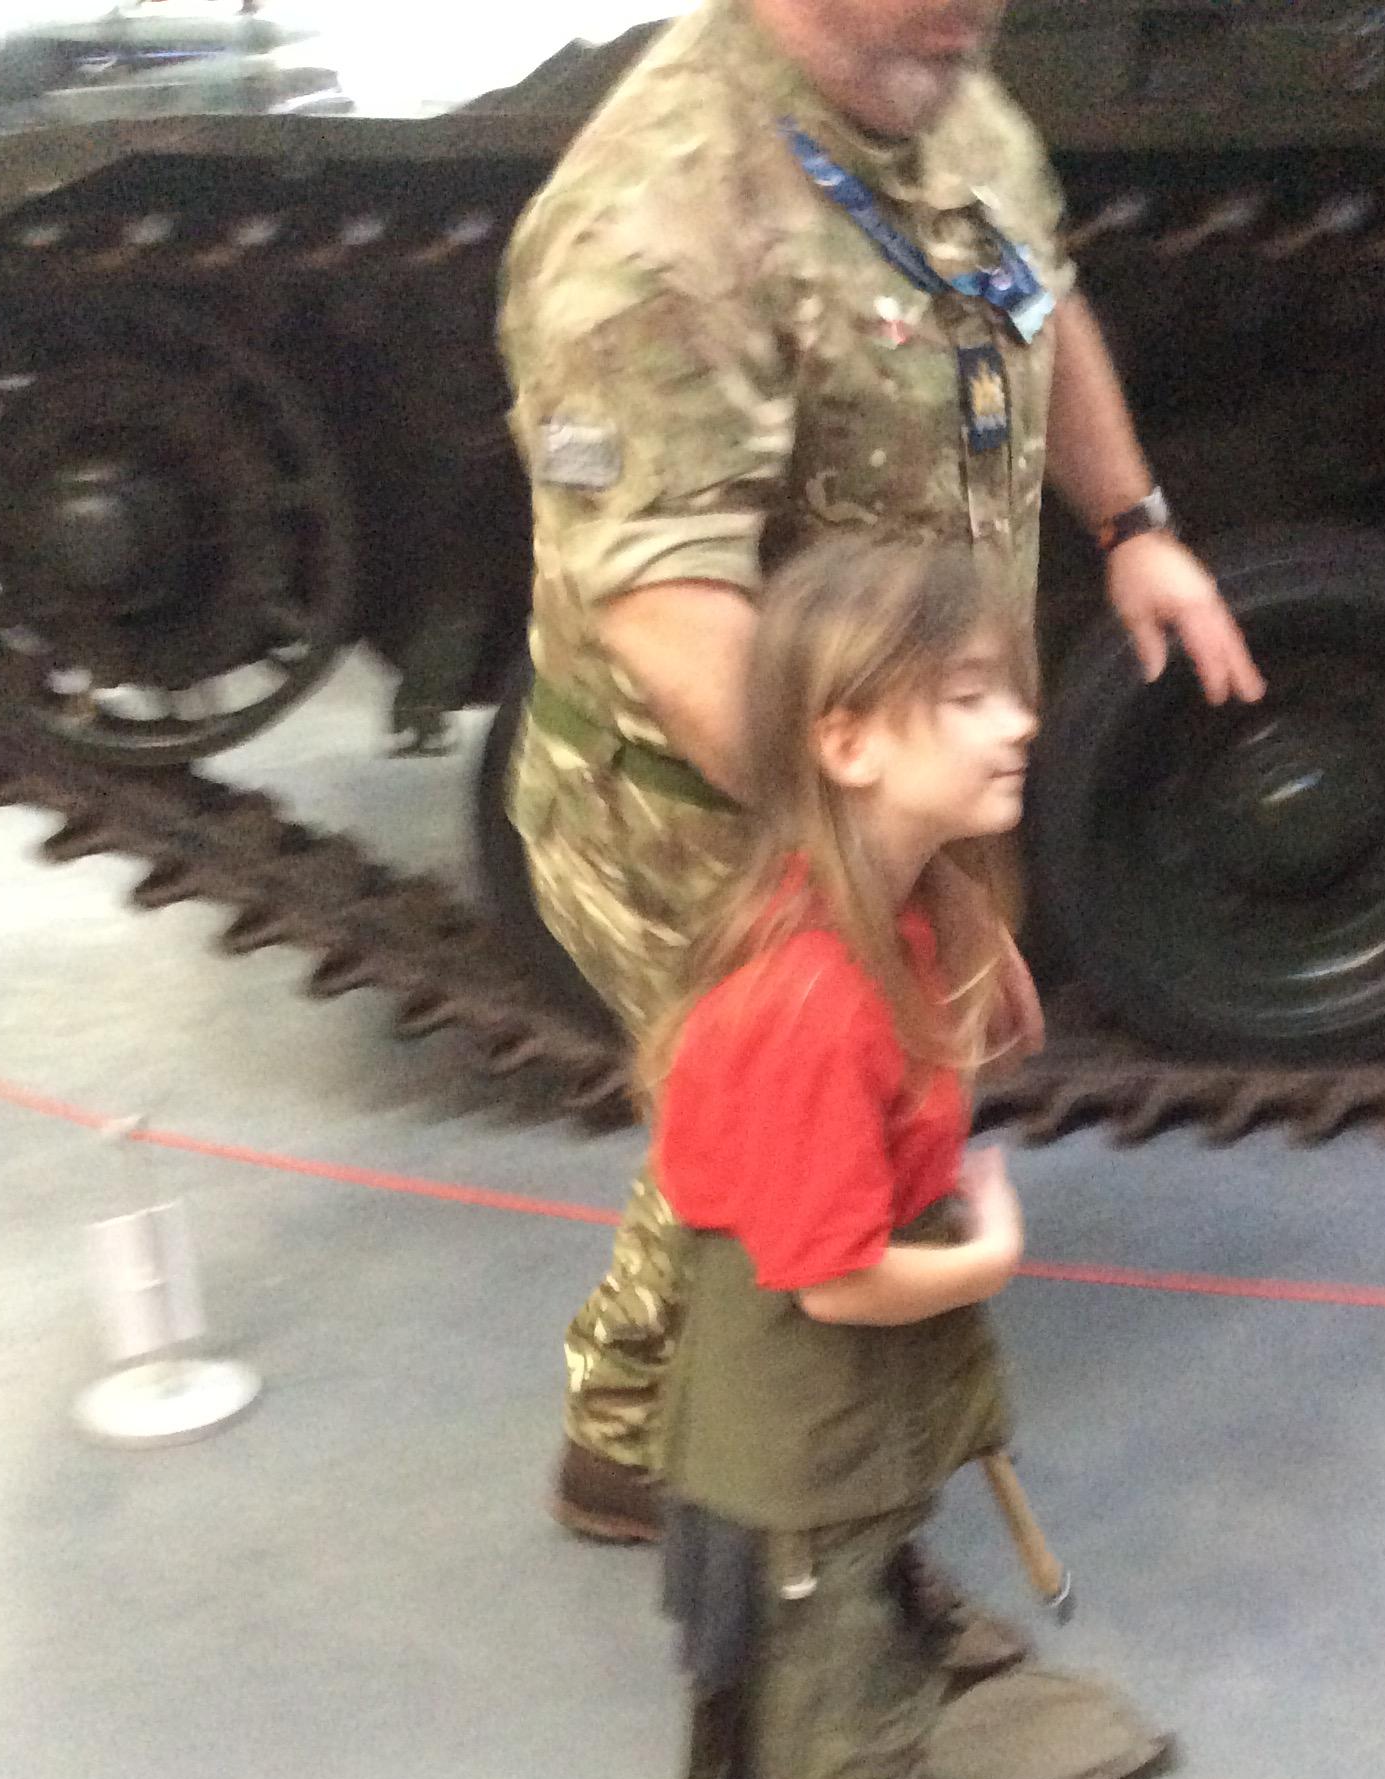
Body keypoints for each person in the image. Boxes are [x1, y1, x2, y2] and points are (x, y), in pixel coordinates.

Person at [498, 0, 1263, 1557]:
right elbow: (675, 619)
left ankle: (684, 1432)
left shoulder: (941, 85)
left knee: (808, 1119)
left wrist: (1133, 525)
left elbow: (1038, 292)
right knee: (779, 1151)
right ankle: (727, 1500)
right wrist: (904, 893)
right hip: (708, 804)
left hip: (889, 770)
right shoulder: (654, 220)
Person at [630, 535, 1051, 1779]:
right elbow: (829, 1277)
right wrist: (989, 1258)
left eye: (1006, 690)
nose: (1019, 722)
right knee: (816, 1710)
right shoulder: (813, 999)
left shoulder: (906, 909)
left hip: (833, 1386)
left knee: (840, 1656)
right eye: (969, 696)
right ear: (850, 742)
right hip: (799, 1387)